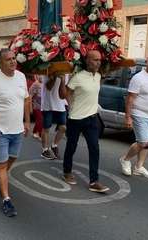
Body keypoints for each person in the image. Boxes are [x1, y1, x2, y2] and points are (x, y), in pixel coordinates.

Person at [0, 48, 31, 217]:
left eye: (14, 58)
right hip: (0, 131)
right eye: (8, 59)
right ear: (0, 62)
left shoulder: (21, 77)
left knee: (12, 159)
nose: (13, 62)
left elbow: (26, 99)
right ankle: (6, 200)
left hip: (17, 130)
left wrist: (26, 121)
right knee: (2, 165)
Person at [59, 50, 109, 193]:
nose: (98, 62)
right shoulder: (78, 77)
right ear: (87, 61)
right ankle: (66, 172)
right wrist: (62, 82)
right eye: (95, 60)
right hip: (75, 119)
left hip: (92, 119)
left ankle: (94, 181)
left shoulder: (98, 76)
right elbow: (64, 94)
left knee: (95, 149)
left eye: (99, 60)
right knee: (71, 147)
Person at [40, 74, 67, 159]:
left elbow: (63, 93)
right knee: (46, 128)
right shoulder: (48, 72)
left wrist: (62, 80)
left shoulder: (65, 73)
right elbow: (48, 87)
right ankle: (45, 150)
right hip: (48, 104)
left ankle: (54, 145)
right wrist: (54, 76)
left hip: (60, 104)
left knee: (63, 128)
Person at [29, 75, 43, 141]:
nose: (42, 77)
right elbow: (30, 95)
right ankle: (39, 134)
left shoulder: (45, 84)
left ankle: (35, 132)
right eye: (41, 75)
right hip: (36, 105)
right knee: (40, 119)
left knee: (39, 120)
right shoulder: (35, 84)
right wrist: (30, 107)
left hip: (43, 106)